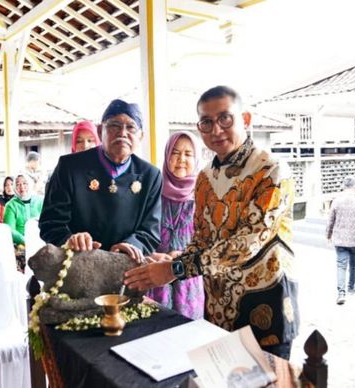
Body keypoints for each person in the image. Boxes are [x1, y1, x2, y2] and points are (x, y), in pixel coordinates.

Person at [124, 86, 299, 359]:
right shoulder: (204, 178)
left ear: (246, 119)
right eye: (207, 122)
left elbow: (248, 243)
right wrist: (161, 267)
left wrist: (175, 269)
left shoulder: (272, 170)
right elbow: (202, 239)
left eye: (225, 118)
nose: (216, 130)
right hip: (217, 308)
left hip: (265, 307)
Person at [39, 99, 161, 262]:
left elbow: (150, 230)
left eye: (131, 127)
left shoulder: (150, 175)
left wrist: (133, 245)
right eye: (114, 125)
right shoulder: (69, 167)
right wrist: (69, 239)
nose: (122, 133)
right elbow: (50, 222)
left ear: (141, 136)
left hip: (124, 267)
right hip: (76, 265)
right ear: (99, 129)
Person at [146, 131, 205, 320]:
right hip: (154, 278)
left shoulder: (204, 195)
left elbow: (209, 243)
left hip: (188, 282)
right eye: (175, 152)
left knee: (186, 336)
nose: (181, 159)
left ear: (196, 159)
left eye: (188, 154)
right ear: (167, 155)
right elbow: (140, 233)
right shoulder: (152, 193)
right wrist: (151, 255)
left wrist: (183, 256)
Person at [326, 175, 355, 305]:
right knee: (354, 265)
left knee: (341, 266)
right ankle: (351, 287)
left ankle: (341, 293)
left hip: (339, 240)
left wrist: (328, 236)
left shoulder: (336, 202)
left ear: (343, 187)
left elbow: (330, 221)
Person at [4, 175, 43, 244]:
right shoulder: (11, 205)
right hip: (20, 245)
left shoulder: (40, 201)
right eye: (18, 184)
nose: (22, 187)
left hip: (41, 241)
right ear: (14, 187)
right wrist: (26, 241)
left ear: (30, 184)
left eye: (25, 183)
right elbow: (10, 230)